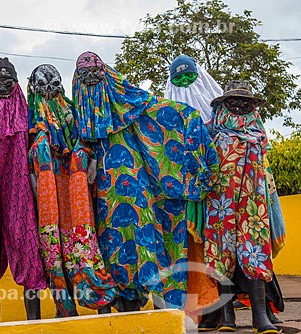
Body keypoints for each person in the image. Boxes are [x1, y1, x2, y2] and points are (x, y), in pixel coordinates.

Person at [72, 51, 219, 312]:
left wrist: (191, 120)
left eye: (97, 73)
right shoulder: (83, 110)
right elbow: (83, 138)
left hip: (141, 188)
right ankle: (130, 307)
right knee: (116, 246)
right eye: (85, 76)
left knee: (149, 241)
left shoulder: (130, 101)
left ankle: (166, 310)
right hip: (106, 193)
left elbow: (165, 114)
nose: (91, 80)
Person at [27, 64, 118, 317]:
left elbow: (89, 142)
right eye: (42, 85)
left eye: (53, 82)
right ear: (33, 87)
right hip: (48, 195)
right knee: (53, 249)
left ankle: (102, 303)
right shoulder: (29, 117)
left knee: (84, 245)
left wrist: (89, 161)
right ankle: (65, 310)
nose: (48, 90)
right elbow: (24, 156)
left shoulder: (73, 112)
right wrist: (33, 176)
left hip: (75, 191)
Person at [0, 57, 46, 322]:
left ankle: (34, 323)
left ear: (16, 83)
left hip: (20, 190)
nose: (2, 85)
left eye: (8, 80)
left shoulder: (27, 115)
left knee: (26, 246)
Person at [204, 80, 280, 334]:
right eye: (233, 101)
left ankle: (260, 317)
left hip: (253, 206)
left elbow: (267, 174)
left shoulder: (258, 135)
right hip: (220, 205)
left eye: (245, 102)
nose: (239, 106)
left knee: (255, 251)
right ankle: (227, 316)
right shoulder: (212, 133)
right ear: (223, 104)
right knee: (221, 253)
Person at [164, 54, 222, 323]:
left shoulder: (220, 113)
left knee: (220, 251)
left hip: (220, 198)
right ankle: (200, 313)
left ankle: (228, 312)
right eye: (179, 79)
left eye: (190, 77)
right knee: (190, 255)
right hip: (182, 200)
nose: (186, 84)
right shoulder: (167, 118)